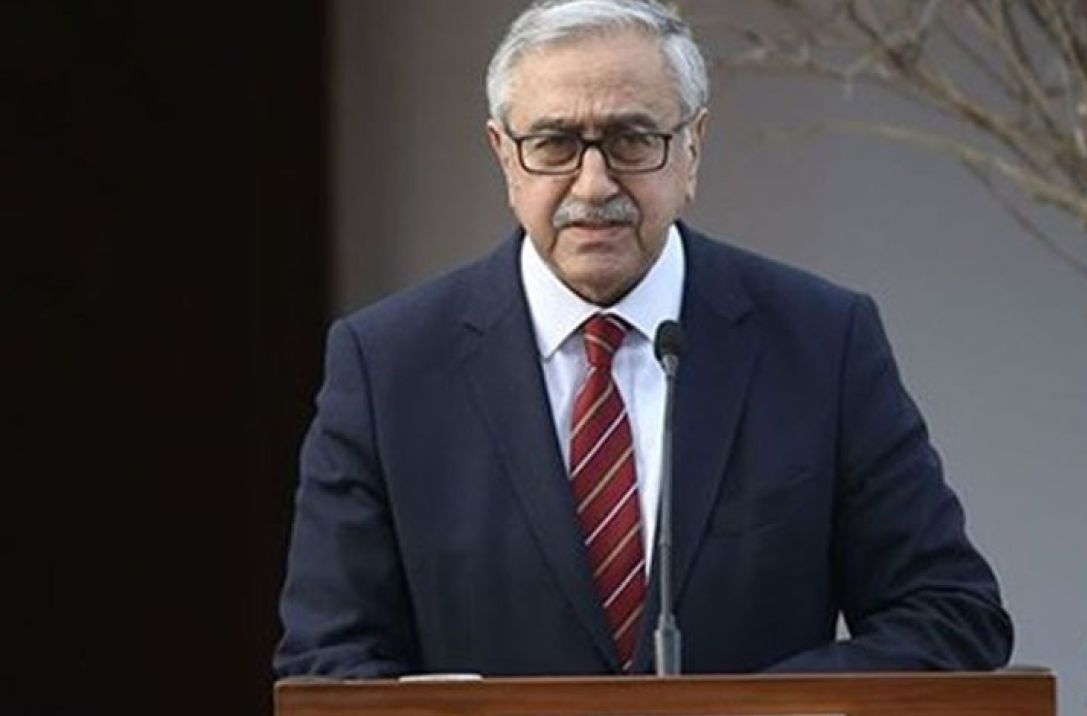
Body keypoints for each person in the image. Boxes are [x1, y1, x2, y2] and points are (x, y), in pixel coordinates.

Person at [275, 0, 1012, 678]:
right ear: (504, 154)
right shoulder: (388, 367)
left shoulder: (822, 342)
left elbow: (951, 614)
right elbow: (327, 663)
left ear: (692, 148)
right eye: (554, 144)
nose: (594, 184)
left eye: (632, 140)